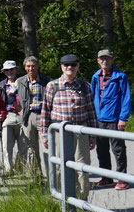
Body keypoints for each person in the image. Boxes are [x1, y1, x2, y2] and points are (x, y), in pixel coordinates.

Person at [40, 54, 97, 200]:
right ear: (61, 67)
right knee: (59, 166)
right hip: (59, 132)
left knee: (82, 166)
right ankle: (62, 200)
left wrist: (93, 136)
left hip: (80, 130)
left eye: (73, 65)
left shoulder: (84, 87)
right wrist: (45, 135)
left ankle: (82, 200)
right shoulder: (52, 86)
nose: (69, 67)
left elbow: (91, 112)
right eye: (66, 65)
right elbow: (45, 112)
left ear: (78, 67)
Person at [91, 49, 131, 190]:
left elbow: (126, 98)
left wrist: (123, 118)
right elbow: (92, 97)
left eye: (107, 58)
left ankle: (122, 178)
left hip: (115, 119)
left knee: (118, 149)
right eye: (102, 59)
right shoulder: (95, 77)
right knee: (101, 150)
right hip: (99, 119)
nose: (104, 61)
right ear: (98, 60)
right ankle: (106, 177)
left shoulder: (120, 77)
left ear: (112, 60)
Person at [16, 56, 51, 176]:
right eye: (28, 66)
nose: (31, 68)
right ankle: (37, 176)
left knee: (48, 146)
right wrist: (18, 108)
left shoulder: (46, 80)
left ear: (38, 67)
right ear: (25, 68)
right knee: (32, 147)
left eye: (33, 66)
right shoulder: (20, 81)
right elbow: (9, 95)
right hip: (28, 116)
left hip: (43, 115)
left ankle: (52, 175)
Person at [0, 60, 27, 174]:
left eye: (12, 69)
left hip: (22, 115)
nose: (9, 72)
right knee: (6, 145)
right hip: (8, 115)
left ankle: (22, 169)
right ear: (4, 72)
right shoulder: (1, 85)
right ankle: (8, 169)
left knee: (23, 146)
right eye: (7, 70)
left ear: (16, 70)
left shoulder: (24, 82)